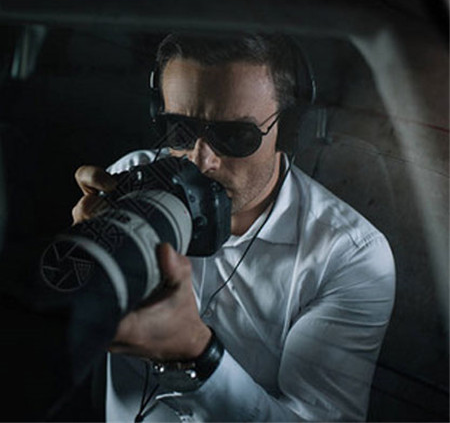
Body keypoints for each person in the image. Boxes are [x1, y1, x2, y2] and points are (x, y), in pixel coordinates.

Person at [71, 33, 396, 422]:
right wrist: (81, 263)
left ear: (289, 131)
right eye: (179, 129)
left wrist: (197, 354)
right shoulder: (131, 181)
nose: (201, 161)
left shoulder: (348, 256)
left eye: (234, 136)